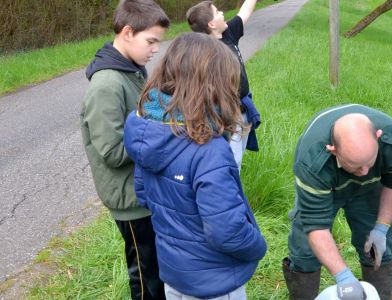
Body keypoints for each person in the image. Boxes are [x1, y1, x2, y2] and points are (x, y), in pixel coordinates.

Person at [123, 32, 267, 300]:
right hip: (215, 281)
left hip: (173, 271)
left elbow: (143, 194)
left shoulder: (148, 128)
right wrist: (258, 245)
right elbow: (227, 231)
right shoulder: (209, 150)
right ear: (216, 85)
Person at [80, 0, 169, 299]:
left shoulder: (133, 70)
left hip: (145, 189)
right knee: (146, 276)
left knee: (157, 268)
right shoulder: (107, 85)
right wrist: (162, 135)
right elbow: (113, 152)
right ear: (128, 32)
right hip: (129, 198)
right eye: (151, 41)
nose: (155, 49)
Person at [282, 104, 392, 300]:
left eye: (369, 162)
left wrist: (382, 226)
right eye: (355, 166)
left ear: (378, 136)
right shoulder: (312, 162)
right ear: (333, 150)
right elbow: (316, 226)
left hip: (371, 189)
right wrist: (343, 277)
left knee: (379, 249)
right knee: (304, 247)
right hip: (326, 187)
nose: (364, 172)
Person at [186, 0, 261, 171]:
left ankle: (234, 192)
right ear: (211, 24)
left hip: (243, 110)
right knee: (230, 163)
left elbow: (246, 10)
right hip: (226, 117)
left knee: (238, 160)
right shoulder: (204, 52)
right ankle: (227, 194)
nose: (222, 13)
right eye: (218, 12)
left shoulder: (228, 33)